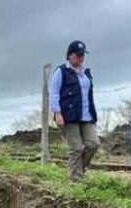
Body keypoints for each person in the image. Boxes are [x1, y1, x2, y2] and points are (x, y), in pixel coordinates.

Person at [49, 40, 99, 181]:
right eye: (78, 55)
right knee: (76, 148)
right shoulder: (61, 71)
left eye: (82, 55)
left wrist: (94, 115)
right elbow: (54, 93)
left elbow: (89, 95)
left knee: (93, 144)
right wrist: (57, 113)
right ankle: (75, 182)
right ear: (69, 55)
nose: (81, 58)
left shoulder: (86, 73)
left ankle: (77, 169)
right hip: (69, 116)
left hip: (86, 115)